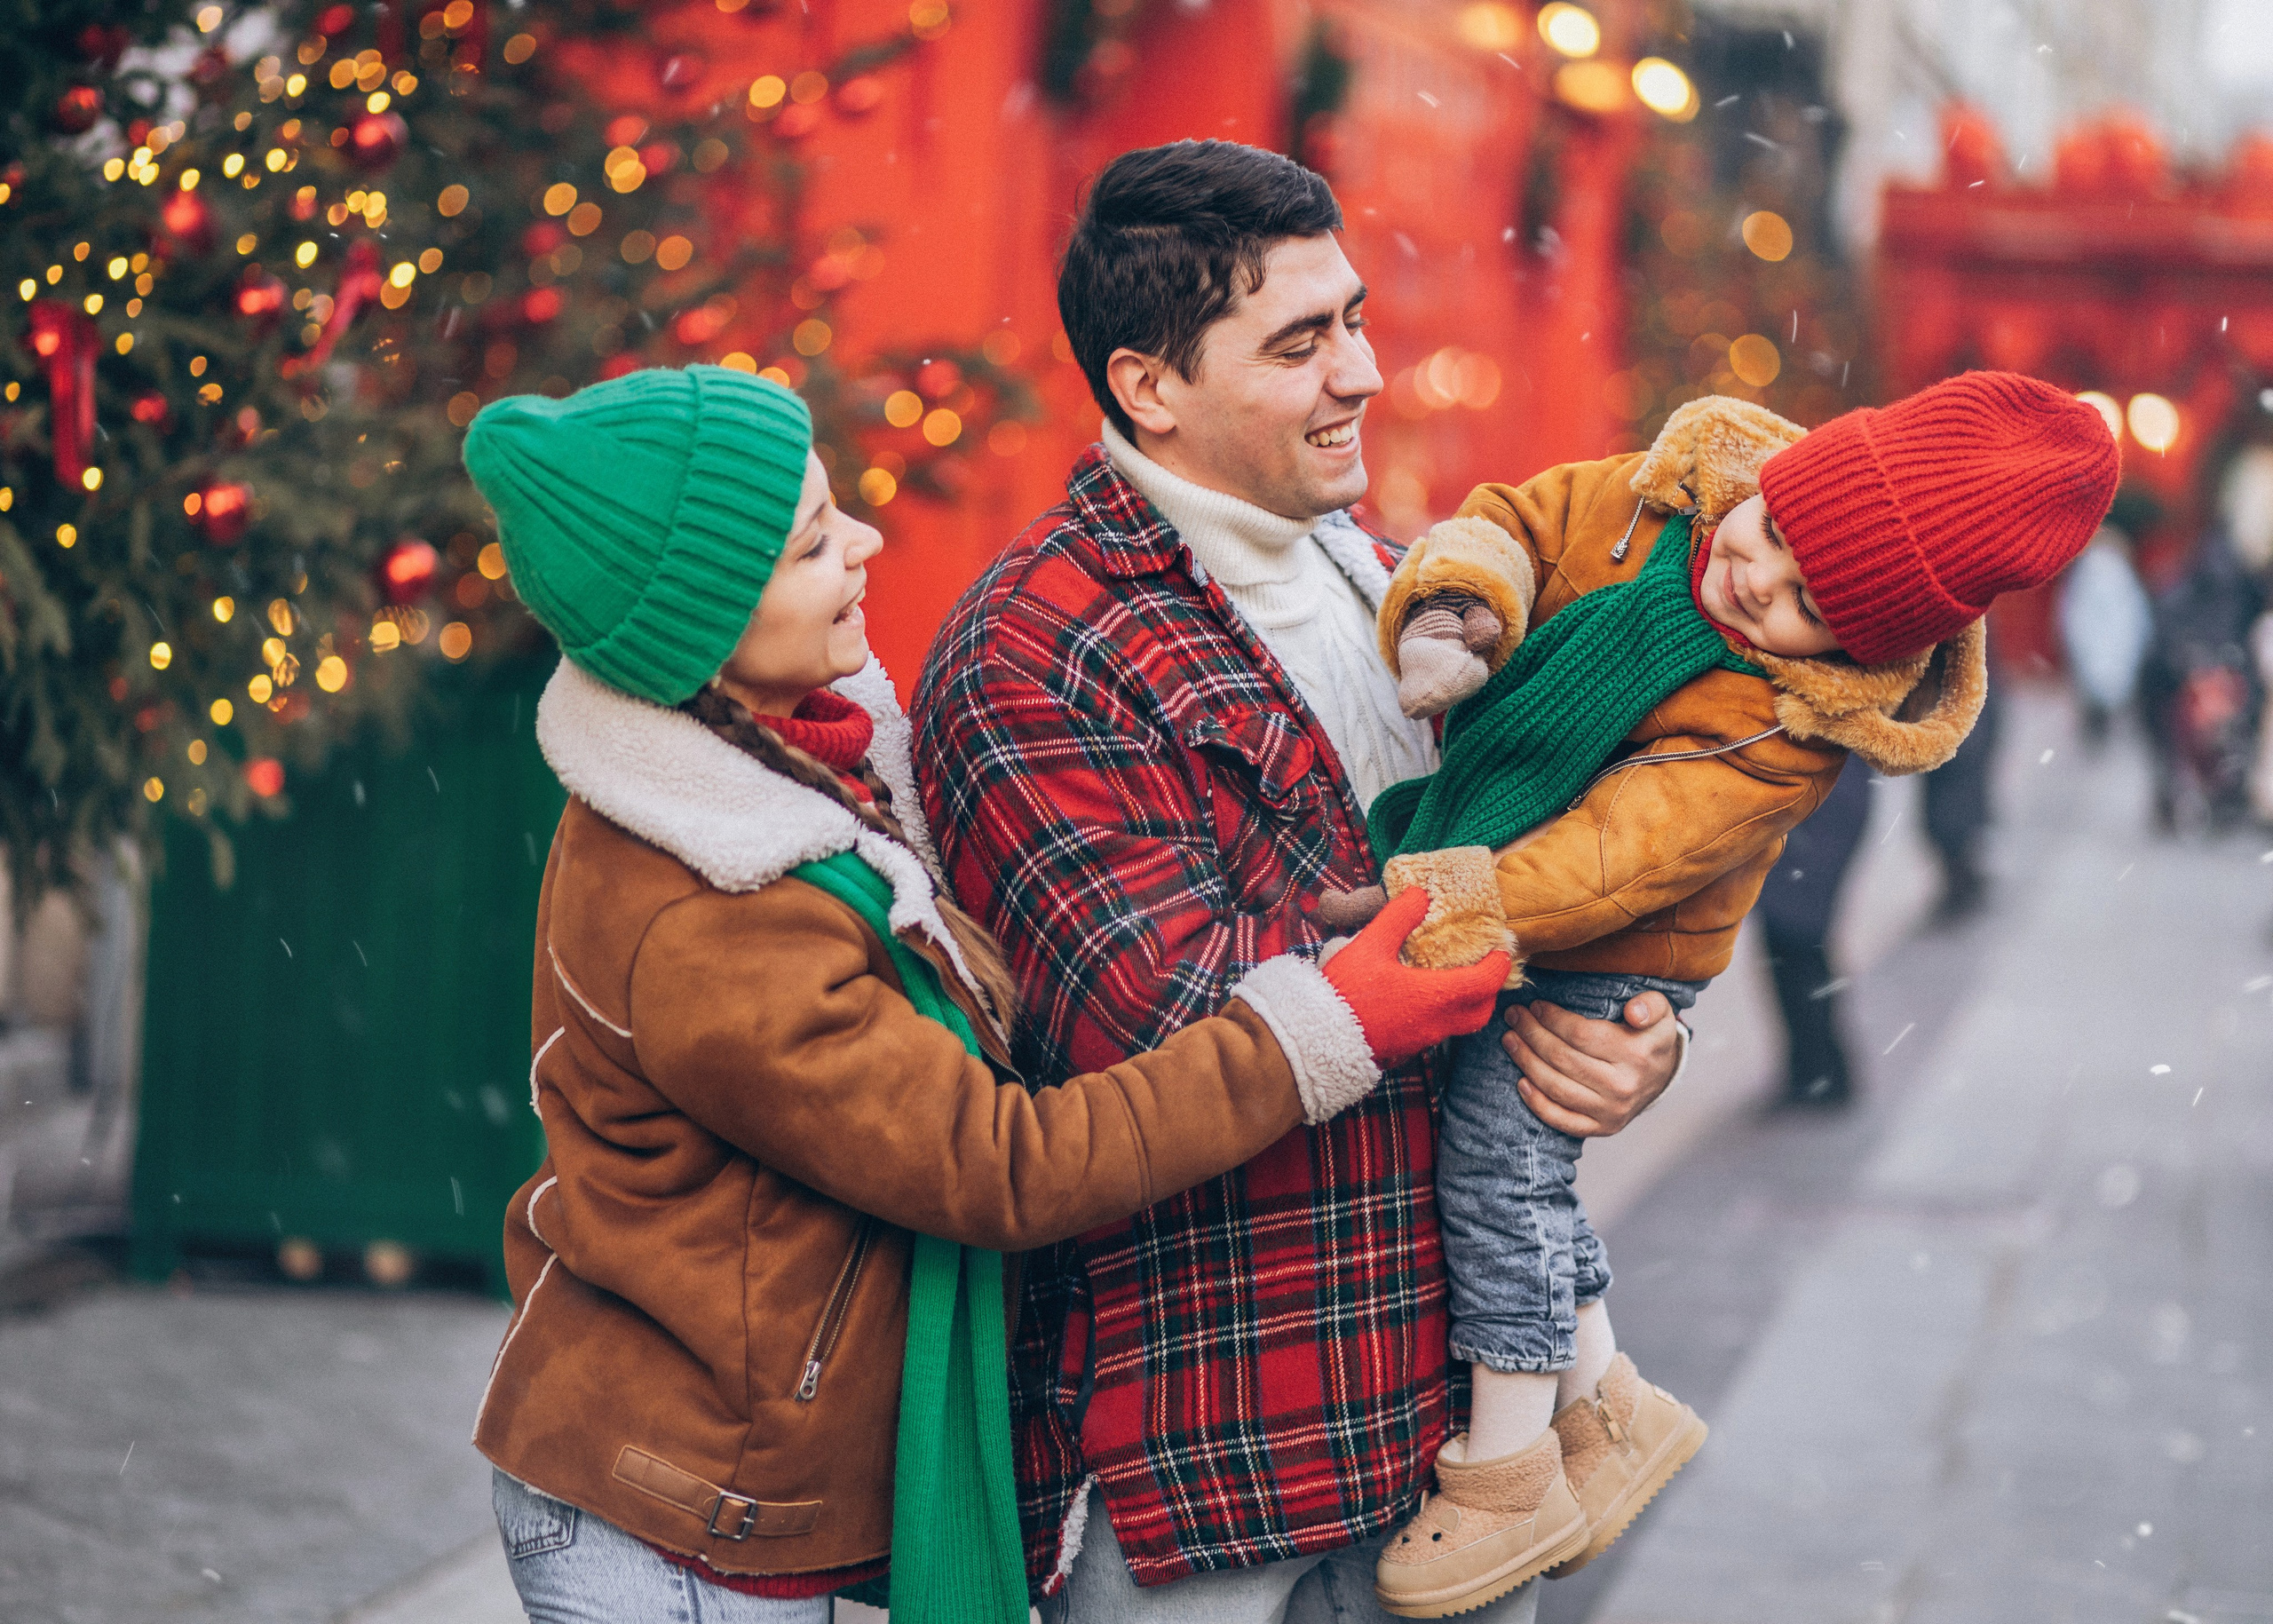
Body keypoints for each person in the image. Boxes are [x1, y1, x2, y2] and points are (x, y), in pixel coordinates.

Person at [457, 364, 1510, 1621]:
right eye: (810, 545)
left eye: (835, 509)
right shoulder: (715, 907)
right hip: (683, 1522)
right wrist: (1319, 1031)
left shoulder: (805, 763)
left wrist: (1297, 938)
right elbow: (997, 1163)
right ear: (703, 625)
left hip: (738, 1486)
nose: (866, 543)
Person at [911, 140, 1687, 1624]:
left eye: (1354, 318)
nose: (1363, 371)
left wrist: (1629, 1027)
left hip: (1457, 1439)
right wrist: (1497, 958)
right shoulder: (1038, 646)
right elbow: (1159, 1021)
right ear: (1149, 386)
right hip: (1219, 1449)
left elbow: (1560, 857)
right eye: (1300, 341)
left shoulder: (1396, 582)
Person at [1362, 370, 2118, 1613]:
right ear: (1767, 482)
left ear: (1859, 652)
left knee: (1500, 1161)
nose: (1755, 577)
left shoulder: (1778, 728)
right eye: (1774, 532)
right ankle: (1608, 1405)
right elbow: (1527, 512)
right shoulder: (1666, 507)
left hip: (1609, 946)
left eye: (1813, 603)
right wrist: (1465, 595)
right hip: (1512, 891)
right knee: (1520, 1173)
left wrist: (1447, 905)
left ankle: (1505, 1469)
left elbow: (1622, 850)